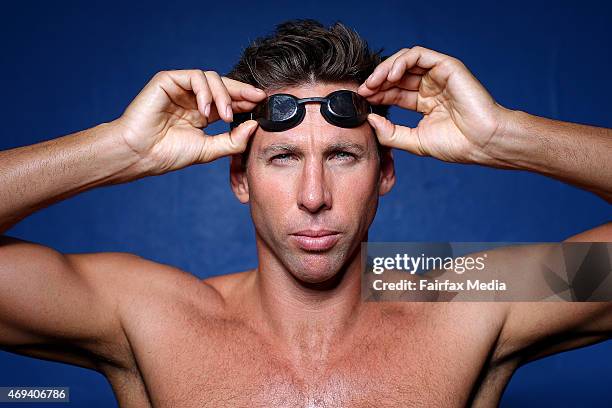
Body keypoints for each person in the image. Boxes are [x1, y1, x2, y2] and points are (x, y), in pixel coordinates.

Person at [0, 19, 610, 407]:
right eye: (283, 157)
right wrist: (118, 148)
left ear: (385, 175)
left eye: (343, 155)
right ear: (241, 178)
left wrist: (505, 136)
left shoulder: (470, 299)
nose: (313, 195)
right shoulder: (151, 317)